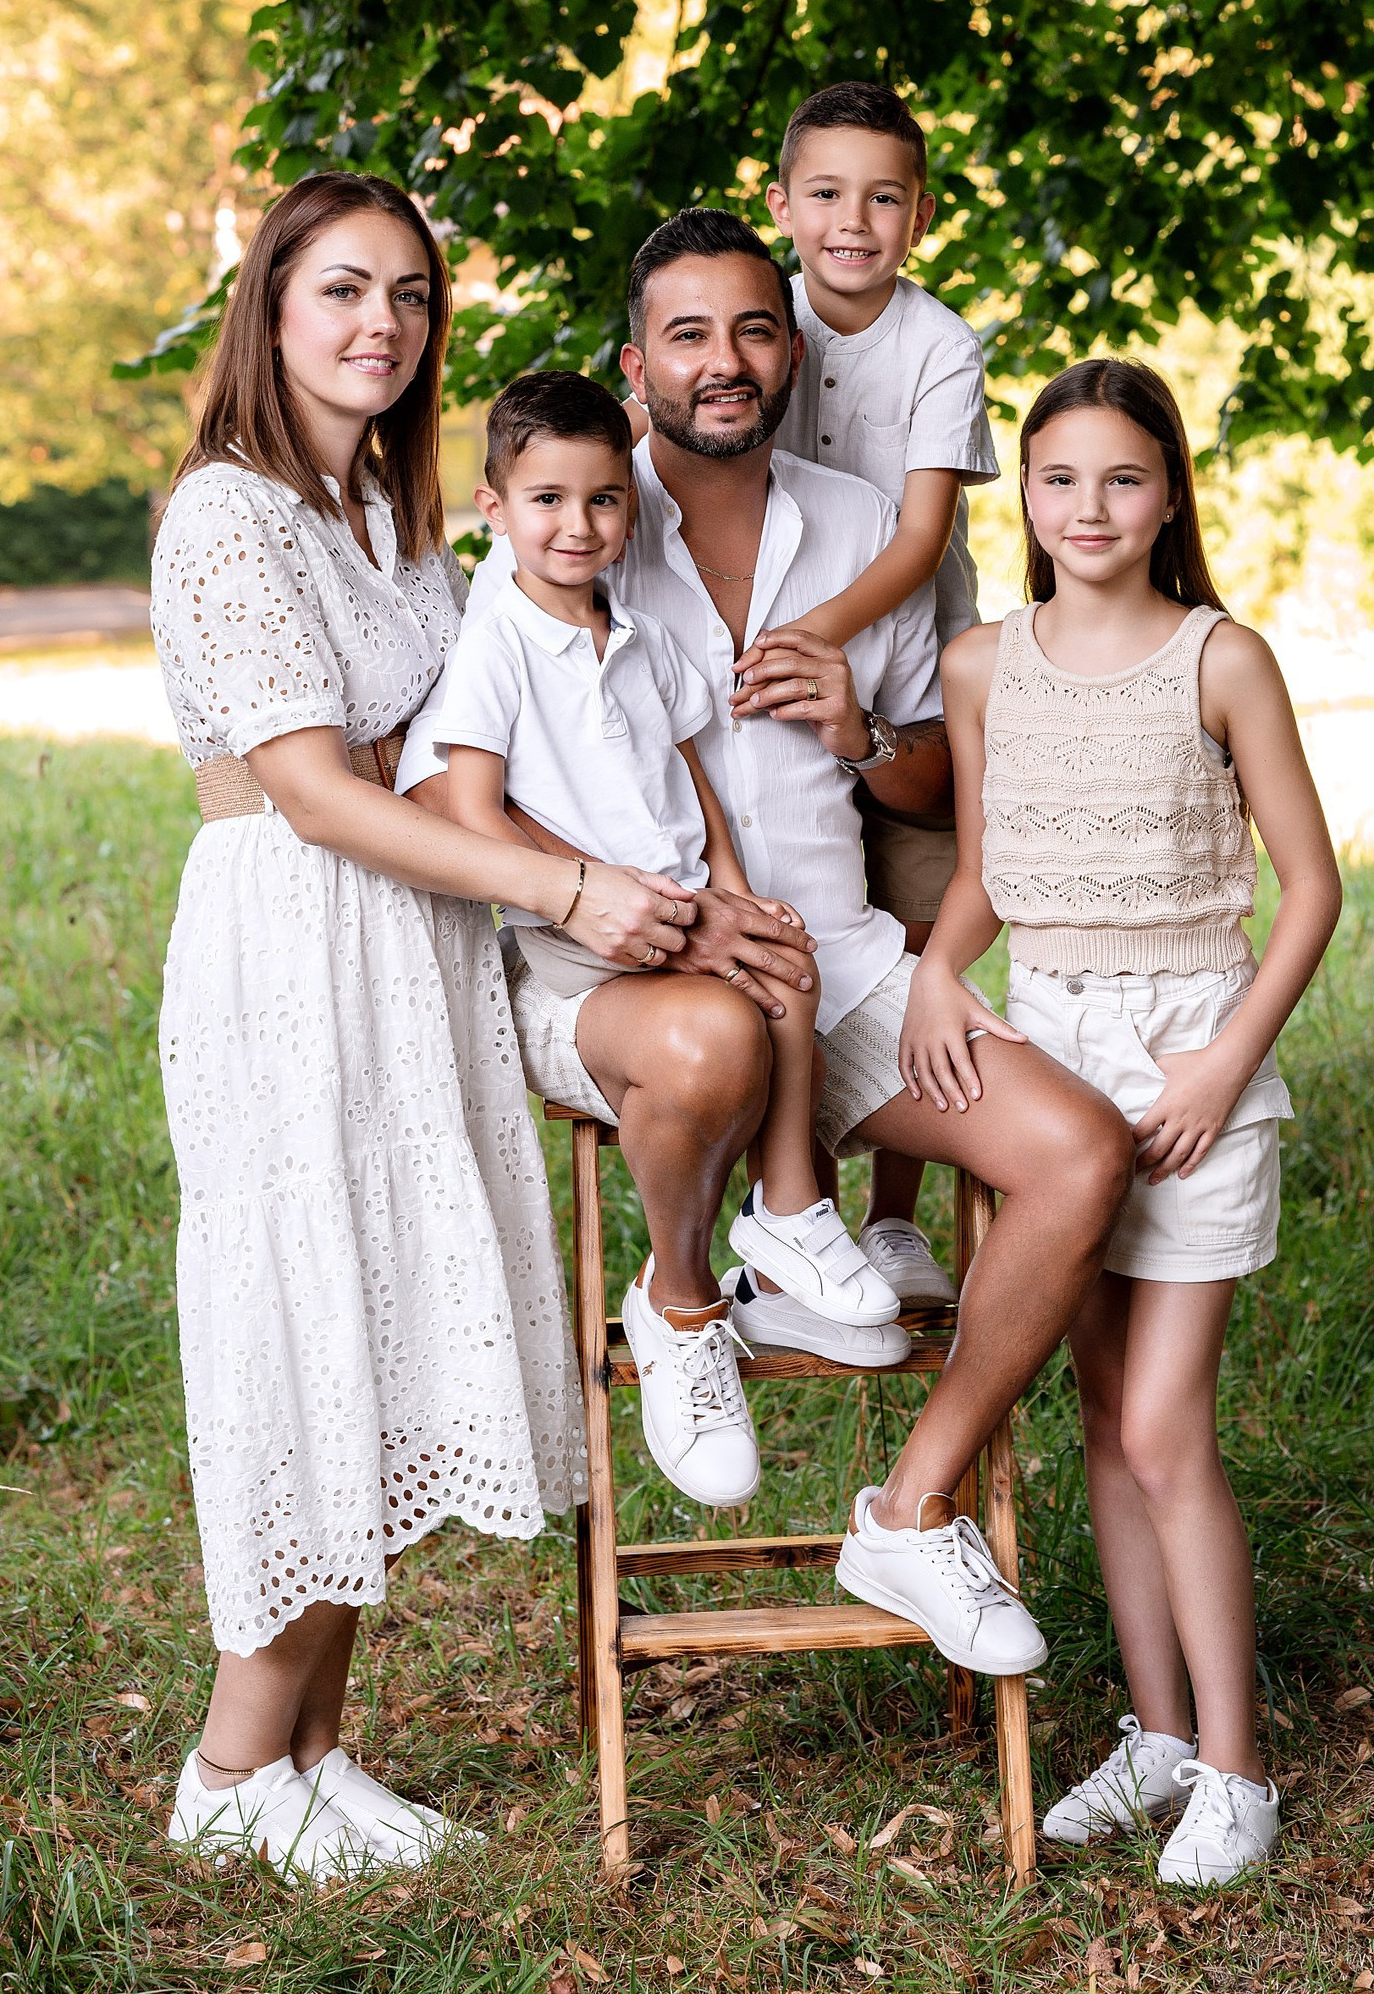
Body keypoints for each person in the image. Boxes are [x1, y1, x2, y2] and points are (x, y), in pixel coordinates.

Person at [406, 208, 1135, 1681]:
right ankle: (682, 1297)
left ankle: (911, 1509)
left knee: (1079, 1153)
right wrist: (612, 894)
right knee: (711, 1031)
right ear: (636, 364)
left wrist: (859, 733)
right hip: (620, 971)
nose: (723, 360)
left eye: (752, 328)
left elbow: (937, 783)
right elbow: (447, 789)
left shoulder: (863, 528)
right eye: (686, 334)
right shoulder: (570, 509)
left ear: (790, 352)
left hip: (834, 957)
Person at [151, 174, 690, 1884]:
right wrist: (564, 888)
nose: (380, 322)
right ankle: (230, 1765)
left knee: (382, 1326)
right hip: (294, 946)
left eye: (407, 294)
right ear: (270, 308)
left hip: (412, 948)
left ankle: (311, 1755)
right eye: (341, 289)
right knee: (309, 1322)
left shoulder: (391, 523)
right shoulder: (229, 514)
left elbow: (463, 746)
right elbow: (314, 792)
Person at [899, 357, 1341, 1884]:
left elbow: (1310, 888)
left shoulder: (1219, 659)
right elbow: (984, 873)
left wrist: (1221, 1064)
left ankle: (1235, 1768)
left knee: (1163, 1424)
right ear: (1021, 494)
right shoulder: (979, 666)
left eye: (1121, 478)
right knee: (1100, 1419)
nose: (1086, 507)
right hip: (1053, 1054)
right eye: (1057, 478)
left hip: (1186, 1057)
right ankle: (1155, 1737)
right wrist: (935, 972)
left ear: (1167, 498)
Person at [423, 369, 900, 1507]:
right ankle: (679, 1301)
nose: (576, 525)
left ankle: (788, 1212)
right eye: (545, 500)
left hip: (682, 905)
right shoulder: (495, 645)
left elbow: (694, 773)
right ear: (493, 509)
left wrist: (731, 893)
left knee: (784, 962)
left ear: (627, 510)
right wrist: (615, 902)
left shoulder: (639, 636)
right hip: (580, 938)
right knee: (729, 1016)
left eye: (601, 500)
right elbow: (473, 813)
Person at [767, 81, 1000, 1311]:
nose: (851, 221)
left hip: (907, 663)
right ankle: (790, 1206)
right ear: (780, 204)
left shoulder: (937, 344)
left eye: (882, 197)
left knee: (913, 924)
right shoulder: (759, 317)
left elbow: (915, 540)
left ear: (920, 213)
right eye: (825, 193)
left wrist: (811, 637)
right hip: (782, 665)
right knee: (793, 915)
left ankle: (895, 1218)